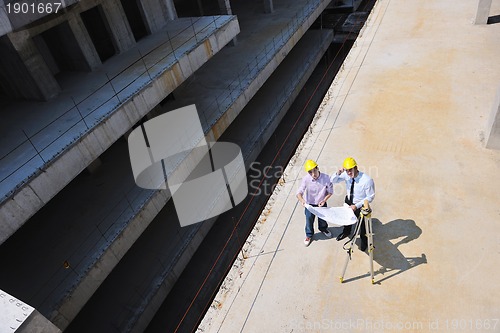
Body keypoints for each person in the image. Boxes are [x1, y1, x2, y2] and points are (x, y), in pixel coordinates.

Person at [330, 157, 375, 251]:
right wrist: (339, 172)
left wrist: (357, 206)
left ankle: (364, 241)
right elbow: (332, 180)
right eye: (346, 170)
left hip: (360, 205)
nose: (349, 173)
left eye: (350, 170)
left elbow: (370, 197)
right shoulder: (346, 175)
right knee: (347, 219)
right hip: (349, 201)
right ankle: (346, 232)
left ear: (356, 167)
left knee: (363, 226)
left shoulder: (367, 180)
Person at [296, 160, 333, 246]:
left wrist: (324, 200)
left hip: (321, 202)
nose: (313, 174)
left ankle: (323, 229)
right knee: (309, 219)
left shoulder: (326, 178)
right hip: (309, 204)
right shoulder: (306, 179)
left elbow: (330, 191)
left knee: (323, 218)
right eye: (310, 172)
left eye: (314, 170)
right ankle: (309, 235)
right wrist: (302, 201)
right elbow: (299, 192)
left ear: (317, 168)